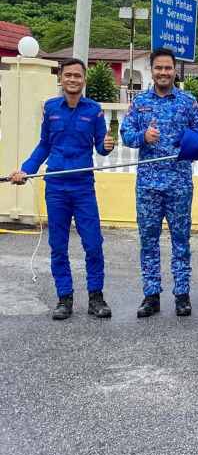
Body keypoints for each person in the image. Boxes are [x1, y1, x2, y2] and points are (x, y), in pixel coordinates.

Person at [9, 58, 116, 320]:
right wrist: (26, 169)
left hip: (83, 186)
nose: (72, 79)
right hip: (56, 186)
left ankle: (96, 297)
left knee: (93, 243)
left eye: (77, 76)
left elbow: (101, 148)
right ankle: (64, 298)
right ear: (61, 78)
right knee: (58, 245)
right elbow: (44, 145)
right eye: (68, 75)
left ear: (84, 80)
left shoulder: (94, 110)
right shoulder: (50, 108)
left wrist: (107, 145)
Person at [119, 48, 198, 319]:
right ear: (152, 70)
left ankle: (182, 295)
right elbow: (125, 134)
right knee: (148, 241)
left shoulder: (188, 102)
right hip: (148, 185)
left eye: (168, 68)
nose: (163, 72)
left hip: (179, 184)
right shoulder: (140, 102)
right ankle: (151, 295)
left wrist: (186, 144)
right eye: (159, 68)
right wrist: (143, 137)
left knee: (181, 241)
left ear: (175, 71)